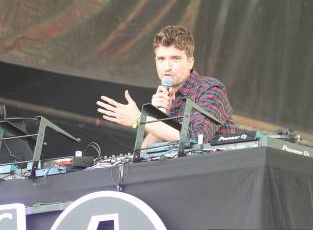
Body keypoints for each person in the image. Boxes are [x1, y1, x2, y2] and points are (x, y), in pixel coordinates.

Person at [97, 25, 235, 148]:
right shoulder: (166, 97)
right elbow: (143, 153)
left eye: (175, 59)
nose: (167, 67)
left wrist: (140, 119)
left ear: (190, 62)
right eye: (161, 59)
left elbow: (196, 138)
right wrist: (161, 115)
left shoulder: (210, 88)